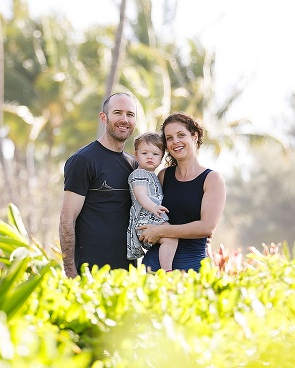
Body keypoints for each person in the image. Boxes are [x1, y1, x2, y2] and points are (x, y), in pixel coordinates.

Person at [59, 92, 138, 278]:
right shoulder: (83, 160)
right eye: (118, 112)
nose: (124, 119)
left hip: (128, 275)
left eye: (130, 114)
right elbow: (66, 219)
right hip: (89, 272)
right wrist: (70, 272)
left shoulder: (135, 166)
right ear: (104, 117)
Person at [137, 112, 226, 272]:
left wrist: (160, 231)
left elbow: (206, 227)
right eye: (169, 138)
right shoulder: (163, 176)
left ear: (194, 136)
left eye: (181, 135)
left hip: (192, 264)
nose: (175, 141)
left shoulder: (212, 179)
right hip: (155, 263)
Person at [126, 132, 178, 271]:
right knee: (170, 238)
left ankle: (162, 267)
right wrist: (154, 207)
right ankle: (167, 270)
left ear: (161, 158)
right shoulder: (139, 174)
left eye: (155, 154)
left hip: (152, 218)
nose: (150, 157)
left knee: (170, 238)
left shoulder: (153, 175)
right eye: (144, 153)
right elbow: (141, 195)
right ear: (136, 155)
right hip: (146, 219)